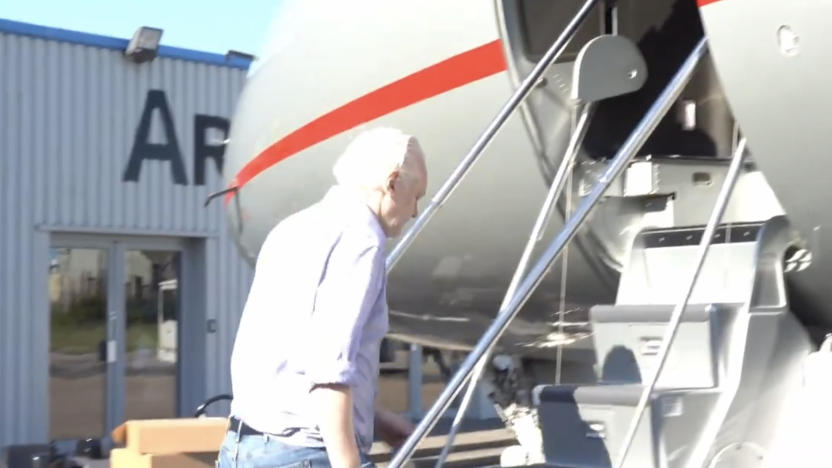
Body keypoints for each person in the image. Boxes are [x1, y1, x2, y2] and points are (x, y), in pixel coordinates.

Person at [218, 127, 428, 468]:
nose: (416, 211)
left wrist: (373, 418)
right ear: (391, 183)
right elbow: (329, 372)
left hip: (244, 446)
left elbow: (292, 359)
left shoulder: (294, 227)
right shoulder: (362, 240)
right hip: (305, 454)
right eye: (416, 195)